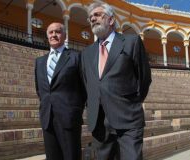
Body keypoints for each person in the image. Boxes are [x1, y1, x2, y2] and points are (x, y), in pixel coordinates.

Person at [81, 2, 152, 160]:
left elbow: (144, 78)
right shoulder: (86, 53)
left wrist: (131, 102)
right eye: (90, 17)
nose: (93, 18)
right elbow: (87, 83)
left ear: (111, 20)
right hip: (99, 122)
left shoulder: (131, 42)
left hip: (128, 118)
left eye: (98, 15)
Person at [35, 22, 86, 160]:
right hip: (47, 117)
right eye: (51, 32)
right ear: (47, 36)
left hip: (69, 117)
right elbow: (40, 90)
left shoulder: (76, 57)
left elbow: (84, 88)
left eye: (57, 32)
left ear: (64, 35)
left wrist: (76, 110)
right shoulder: (39, 61)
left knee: (71, 156)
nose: (54, 35)